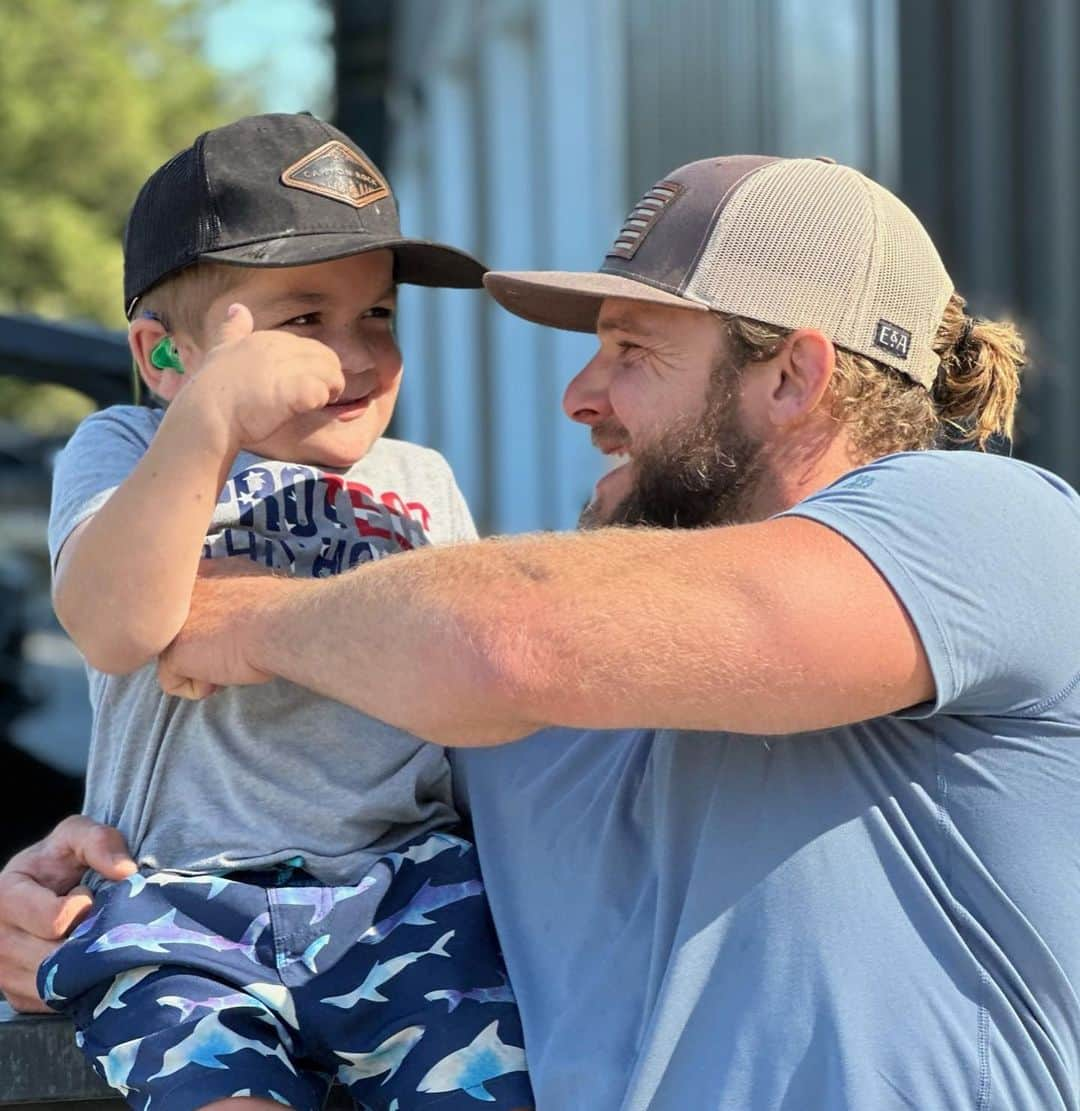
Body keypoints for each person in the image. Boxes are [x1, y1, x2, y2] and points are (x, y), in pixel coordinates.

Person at [4, 154, 1079, 1109]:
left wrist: (250, 617)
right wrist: (100, 888)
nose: (579, 394)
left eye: (632, 350)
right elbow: (326, 804)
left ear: (794, 375)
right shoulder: (541, 723)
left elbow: (505, 634)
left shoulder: (987, 526)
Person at [22, 113, 533, 1111]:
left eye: (377, 315)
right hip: (180, 902)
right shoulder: (127, 449)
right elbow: (115, 625)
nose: (355, 355)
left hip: (404, 891)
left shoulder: (419, 481)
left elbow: (471, 692)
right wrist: (211, 416)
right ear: (161, 356)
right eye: (306, 320)